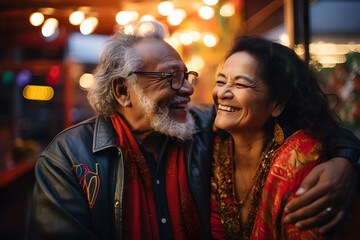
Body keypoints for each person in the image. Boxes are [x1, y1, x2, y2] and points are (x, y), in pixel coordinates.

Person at [28, 21, 359, 239]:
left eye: (188, 76)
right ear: (122, 91)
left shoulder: (202, 125)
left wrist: (345, 160)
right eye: (172, 77)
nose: (187, 89)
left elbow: (294, 118)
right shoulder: (69, 158)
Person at [209, 35, 359, 239]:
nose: (222, 92)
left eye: (241, 85)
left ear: (277, 103)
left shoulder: (299, 162)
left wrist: (348, 159)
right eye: (220, 81)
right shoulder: (209, 145)